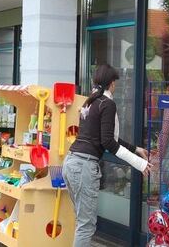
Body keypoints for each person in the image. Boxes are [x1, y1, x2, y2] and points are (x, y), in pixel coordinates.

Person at [62, 64, 152, 247]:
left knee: (82, 222)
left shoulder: (90, 102)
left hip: (71, 163)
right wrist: (139, 164)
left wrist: (136, 149)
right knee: (86, 226)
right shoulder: (107, 103)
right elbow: (108, 143)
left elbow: (108, 138)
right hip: (84, 167)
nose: (116, 87)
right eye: (115, 83)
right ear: (111, 84)